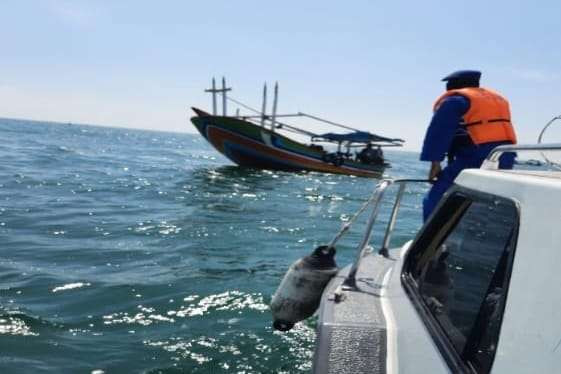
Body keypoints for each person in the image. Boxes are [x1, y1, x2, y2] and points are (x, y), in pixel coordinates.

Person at [420, 70, 517, 221]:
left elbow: (439, 132)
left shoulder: (455, 100)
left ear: (453, 85)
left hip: (476, 156)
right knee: (485, 199)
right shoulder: (498, 100)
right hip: (505, 155)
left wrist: (435, 163)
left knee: (437, 199)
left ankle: (429, 242)